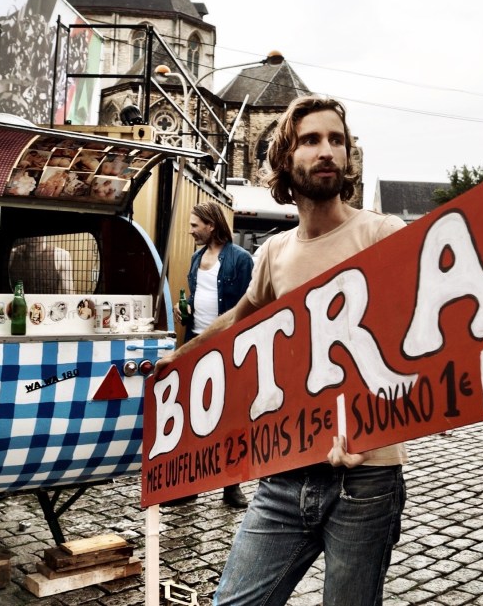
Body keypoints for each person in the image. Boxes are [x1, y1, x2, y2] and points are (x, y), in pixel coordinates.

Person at [154, 96, 407, 606]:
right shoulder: (274, 251)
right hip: (284, 471)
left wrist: (378, 421)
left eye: (336, 140)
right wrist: (181, 360)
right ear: (286, 159)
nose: (327, 150)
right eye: (311, 140)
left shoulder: (382, 234)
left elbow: (421, 341)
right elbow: (239, 318)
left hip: (365, 479)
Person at [169, 202, 254, 509]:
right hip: (195, 341)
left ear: (211, 225)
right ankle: (189, 485)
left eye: (195, 225)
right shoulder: (196, 257)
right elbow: (198, 295)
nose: (190, 230)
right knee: (194, 415)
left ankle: (232, 485)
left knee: (231, 416)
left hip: (229, 346)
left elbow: (251, 303)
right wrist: (184, 308)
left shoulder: (241, 259)